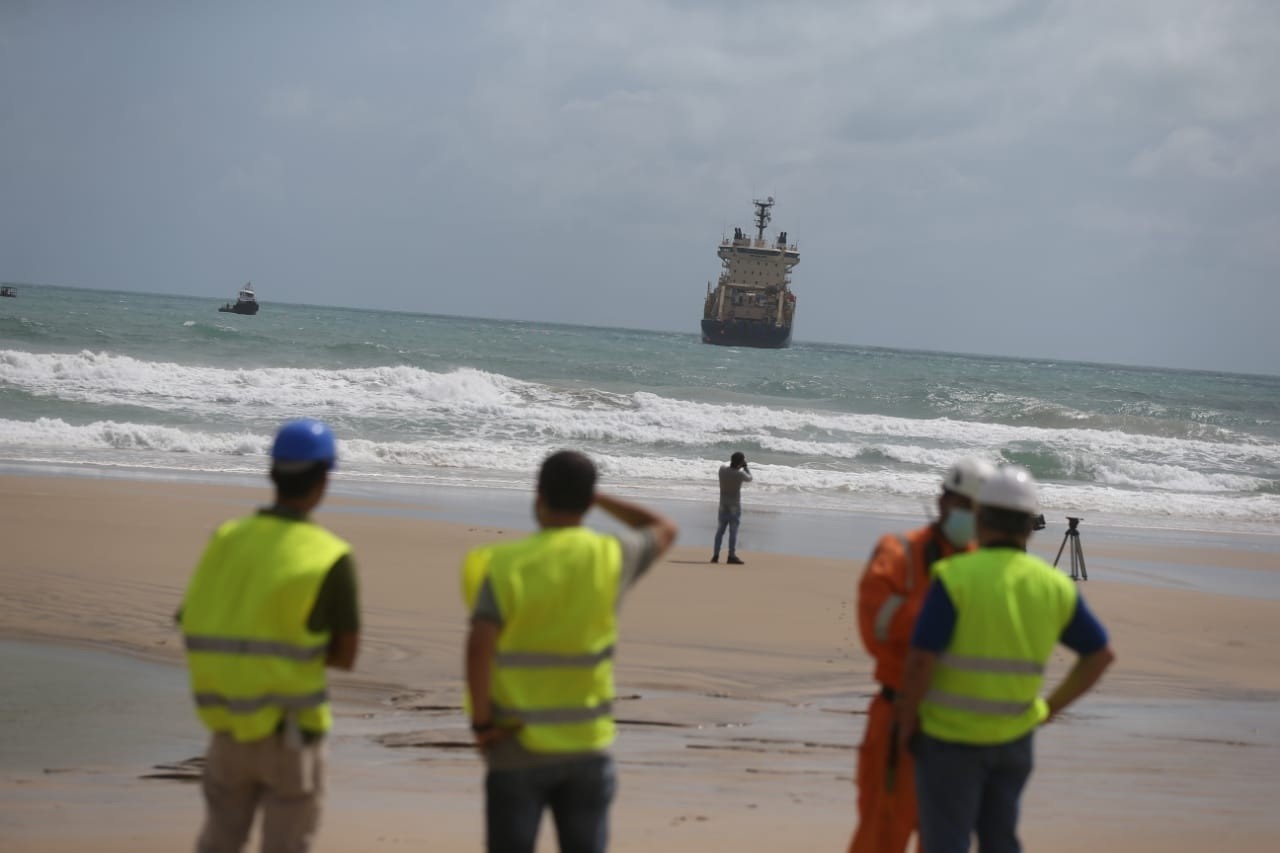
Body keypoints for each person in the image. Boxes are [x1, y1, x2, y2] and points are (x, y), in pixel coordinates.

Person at [462, 450, 678, 853]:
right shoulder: (610, 556)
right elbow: (662, 527)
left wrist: (481, 723)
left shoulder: (505, 563)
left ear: (539, 495)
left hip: (516, 743)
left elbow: (479, 646)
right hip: (586, 745)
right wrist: (598, 498)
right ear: (586, 499)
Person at [896, 466, 1116, 853]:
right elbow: (1099, 656)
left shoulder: (953, 575)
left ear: (980, 518)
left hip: (950, 739)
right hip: (1015, 740)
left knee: (946, 842)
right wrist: (1048, 709)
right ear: (1030, 527)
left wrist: (906, 723)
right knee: (1000, 841)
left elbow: (920, 662)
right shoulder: (1053, 585)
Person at [179, 419, 360, 853]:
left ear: (272, 471)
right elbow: (344, 654)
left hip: (227, 729)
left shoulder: (226, 539)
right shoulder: (329, 555)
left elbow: (194, 621)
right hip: (292, 735)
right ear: (323, 478)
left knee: (218, 842)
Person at [848, 457, 996, 853]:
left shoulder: (984, 565)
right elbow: (874, 628)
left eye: (977, 509)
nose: (968, 515)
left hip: (958, 727)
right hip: (897, 721)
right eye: (962, 504)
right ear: (943, 501)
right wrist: (939, 619)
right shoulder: (899, 552)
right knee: (881, 836)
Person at [711, 451, 752, 564]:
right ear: (740, 462)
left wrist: (737, 462)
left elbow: (725, 464)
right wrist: (746, 467)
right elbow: (750, 478)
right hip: (734, 506)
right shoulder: (740, 474)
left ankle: (715, 555)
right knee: (733, 532)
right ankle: (731, 555)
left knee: (720, 531)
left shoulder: (722, 470)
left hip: (723, 505)